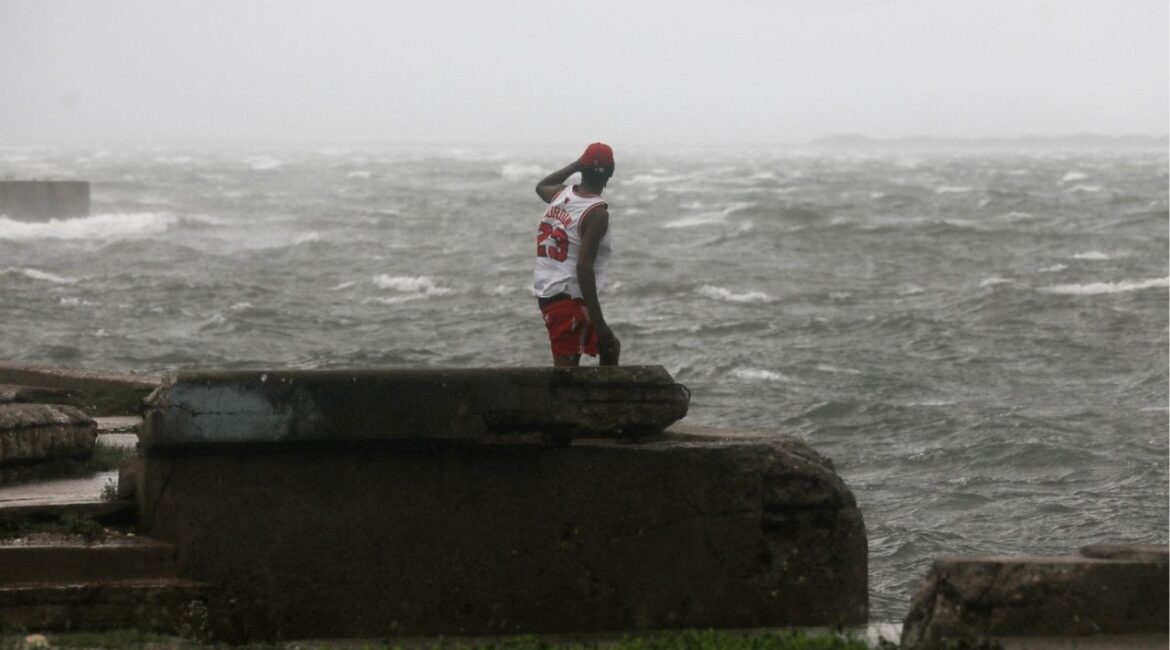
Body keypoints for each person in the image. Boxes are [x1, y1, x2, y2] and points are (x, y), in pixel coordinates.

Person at [531, 142, 620, 367]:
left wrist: (576, 165)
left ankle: (602, 402)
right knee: (567, 374)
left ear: (583, 168)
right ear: (611, 173)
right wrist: (600, 324)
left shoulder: (561, 194)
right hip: (568, 297)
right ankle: (598, 402)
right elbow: (583, 267)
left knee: (610, 348)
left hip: (549, 291)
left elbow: (542, 185)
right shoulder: (597, 213)